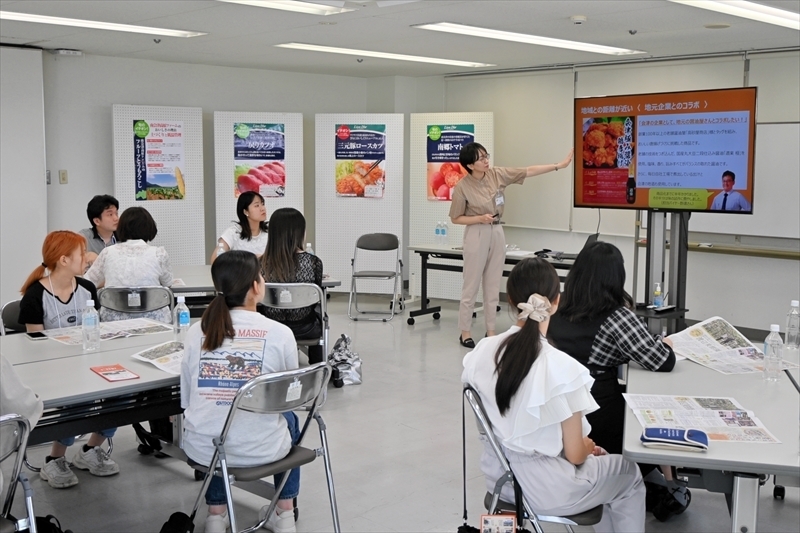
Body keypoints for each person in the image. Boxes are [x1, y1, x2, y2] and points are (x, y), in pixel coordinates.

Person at [462, 258, 645, 532]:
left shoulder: (481, 353)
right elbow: (574, 455)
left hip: (501, 480)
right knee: (629, 475)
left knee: (601, 468)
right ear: (556, 302)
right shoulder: (563, 368)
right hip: (550, 490)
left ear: (511, 301)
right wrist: (586, 446)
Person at [546, 241, 689, 521]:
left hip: (559, 422)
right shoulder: (617, 316)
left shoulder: (555, 307)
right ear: (616, 278)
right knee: (656, 416)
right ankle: (671, 484)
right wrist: (666, 344)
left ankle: (663, 483)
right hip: (603, 423)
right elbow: (662, 361)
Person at [181, 251, 300, 533]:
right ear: (256, 286)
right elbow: (292, 395)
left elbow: (187, 400)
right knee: (290, 418)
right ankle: (284, 514)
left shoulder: (197, 331)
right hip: (263, 448)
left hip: (203, 449)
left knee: (217, 420)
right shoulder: (280, 333)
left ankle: (215, 514)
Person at [18, 230, 119, 489]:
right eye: (81, 254)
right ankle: (54, 459)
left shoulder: (86, 289)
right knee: (77, 401)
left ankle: (89, 450)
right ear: (64, 260)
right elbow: (34, 348)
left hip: (88, 363)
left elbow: (95, 330)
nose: (87, 258)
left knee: (122, 396)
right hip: (53, 370)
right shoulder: (35, 296)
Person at [449, 142, 573, 348]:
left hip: (497, 230)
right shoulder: (462, 187)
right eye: (481, 158)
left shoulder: (497, 174)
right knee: (470, 285)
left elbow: (528, 171)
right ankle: (465, 332)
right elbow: (456, 218)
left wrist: (559, 165)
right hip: (476, 232)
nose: (486, 160)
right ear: (470, 165)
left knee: (493, 284)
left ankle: (491, 331)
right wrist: (479, 219)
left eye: (486, 155)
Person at [85, 206, 174, 323]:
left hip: (113, 323)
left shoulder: (108, 253)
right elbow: (168, 283)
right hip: (154, 321)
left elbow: (88, 283)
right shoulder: (159, 254)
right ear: (150, 228)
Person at [259, 208, 325, 364]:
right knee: (319, 312)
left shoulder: (260, 263)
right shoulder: (313, 262)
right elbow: (315, 298)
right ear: (300, 233)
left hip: (270, 327)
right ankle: (317, 366)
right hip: (305, 327)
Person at [211, 191, 269, 262]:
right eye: (257, 205)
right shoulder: (233, 232)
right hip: (241, 272)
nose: (262, 208)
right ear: (245, 211)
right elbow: (216, 259)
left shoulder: (270, 232)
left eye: (262, 204)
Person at [78, 194, 119, 268]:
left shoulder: (125, 238)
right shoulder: (83, 237)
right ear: (97, 221)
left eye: (116, 213)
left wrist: (98, 261)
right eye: (110, 214)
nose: (116, 218)